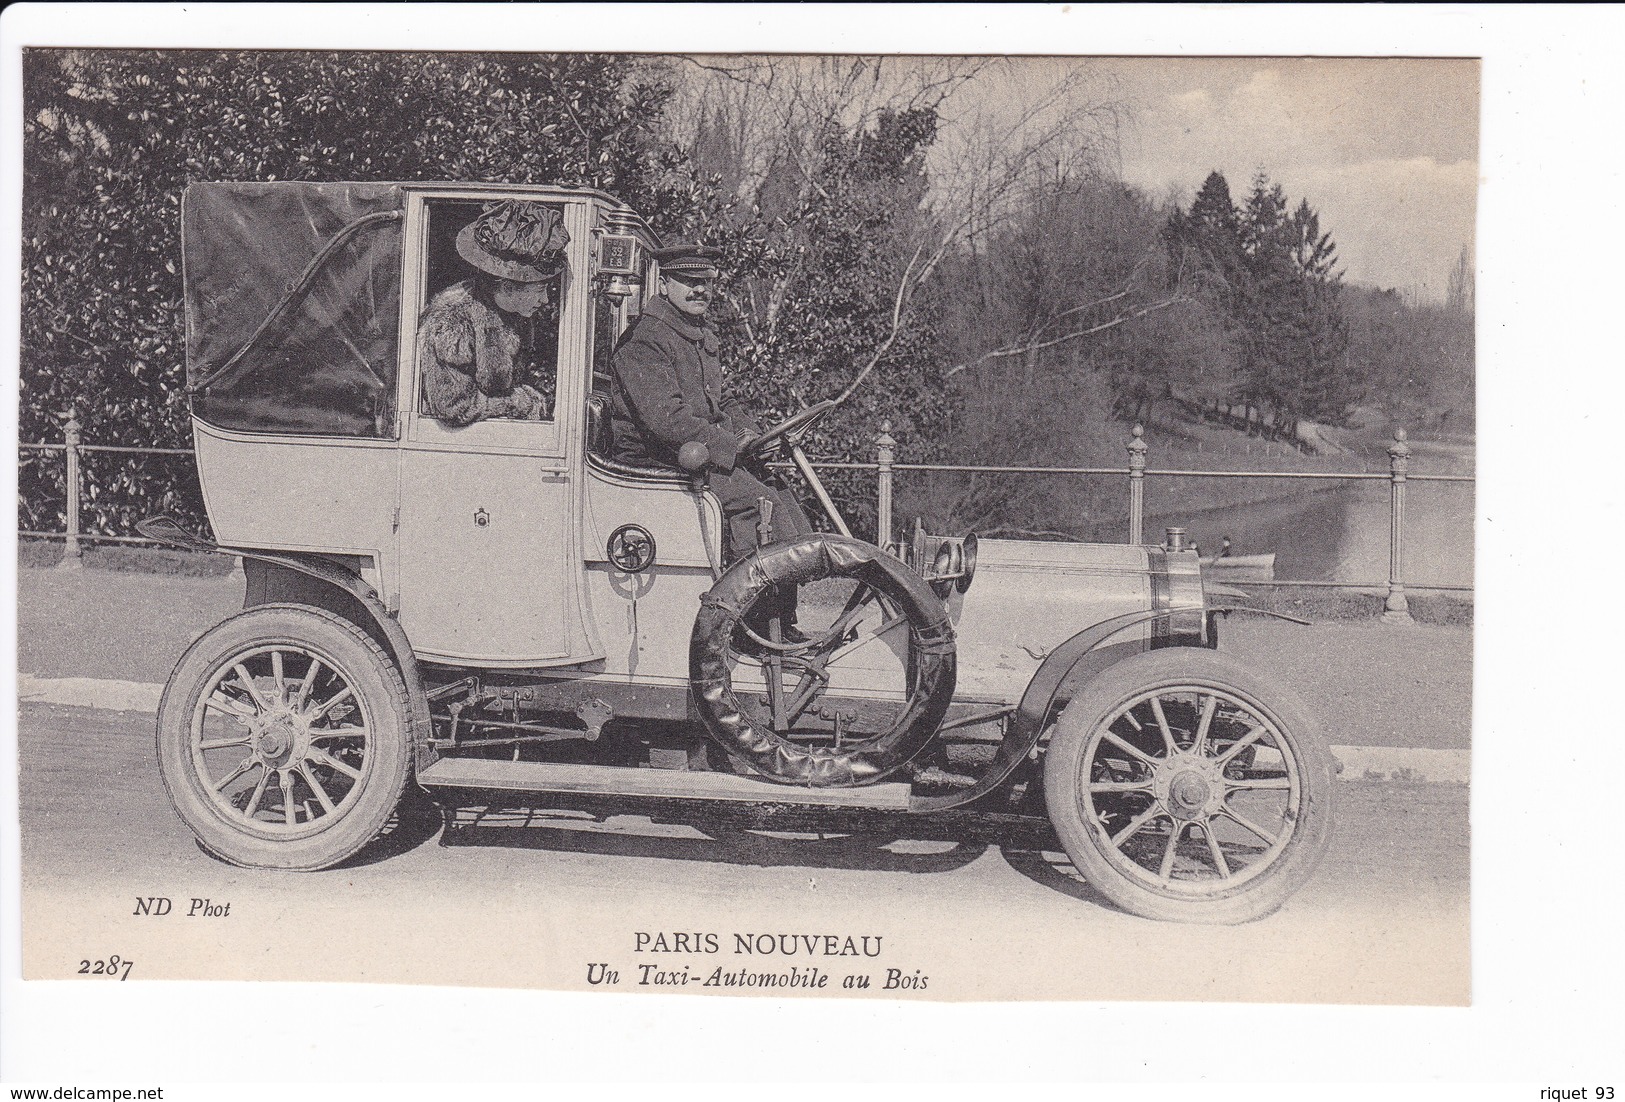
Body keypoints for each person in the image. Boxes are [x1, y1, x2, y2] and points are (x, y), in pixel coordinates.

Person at [608, 243, 814, 562]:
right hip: (657, 459)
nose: (700, 289)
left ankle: (782, 602)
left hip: (693, 453)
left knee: (778, 488)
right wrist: (729, 446)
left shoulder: (694, 332)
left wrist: (751, 435)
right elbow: (668, 422)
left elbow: (722, 398)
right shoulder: (646, 339)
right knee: (756, 503)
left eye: (706, 281)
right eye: (689, 281)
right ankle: (744, 606)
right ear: (664, 284)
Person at [419, 199, 570, 426]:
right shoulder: (453, 319)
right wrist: (519, 403)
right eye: (539, 289)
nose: (545, 300)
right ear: (507, 285)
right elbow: (454, 407)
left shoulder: (514, 315)